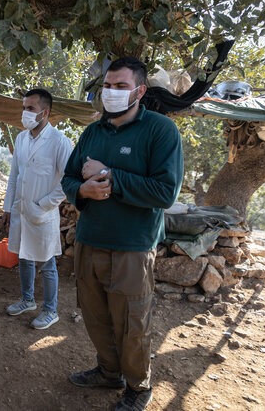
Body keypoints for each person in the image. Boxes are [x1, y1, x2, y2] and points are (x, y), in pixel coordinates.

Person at [62, 57, 183, 411]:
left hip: (132, 246)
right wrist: (82, 191)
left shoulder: (160, 130)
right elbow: (69, 179)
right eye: (107, 86)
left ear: (140, 91)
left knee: (132, 323)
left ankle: (138, 386)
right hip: (89, 240)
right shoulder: (92, 132)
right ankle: (108, 371)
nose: (111, 93)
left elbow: (165, 192)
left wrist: (111, 177)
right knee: (95, 315)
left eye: (120, 86)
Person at [2, 89, 72, 330]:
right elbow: (14, 176)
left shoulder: (59, 141)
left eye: (30, 108)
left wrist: (43, 205)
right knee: (23, 256)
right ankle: (27, 299)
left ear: (45, 112)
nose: (25, 113)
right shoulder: (21, 138)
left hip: (42, 213)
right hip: (21, 210)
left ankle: (51, 310)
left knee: (47, 263)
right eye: (24, 107)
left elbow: (68, 181)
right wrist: (8, 206)